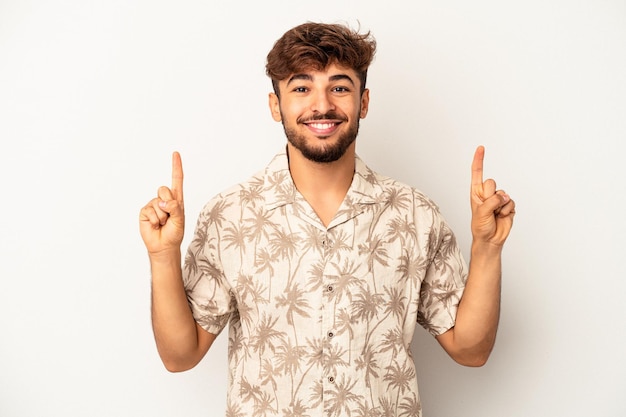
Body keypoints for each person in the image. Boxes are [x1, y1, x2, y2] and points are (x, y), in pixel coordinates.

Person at [139, 22, 515, 417]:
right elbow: (180, 357)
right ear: (275, 105)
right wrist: (163, 256)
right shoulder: (229, 215)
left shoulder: (415, 214)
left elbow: (470, 351)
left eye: (339, 87)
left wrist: (488, 248)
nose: (322, 105)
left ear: (363, 102)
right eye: (301, 88)